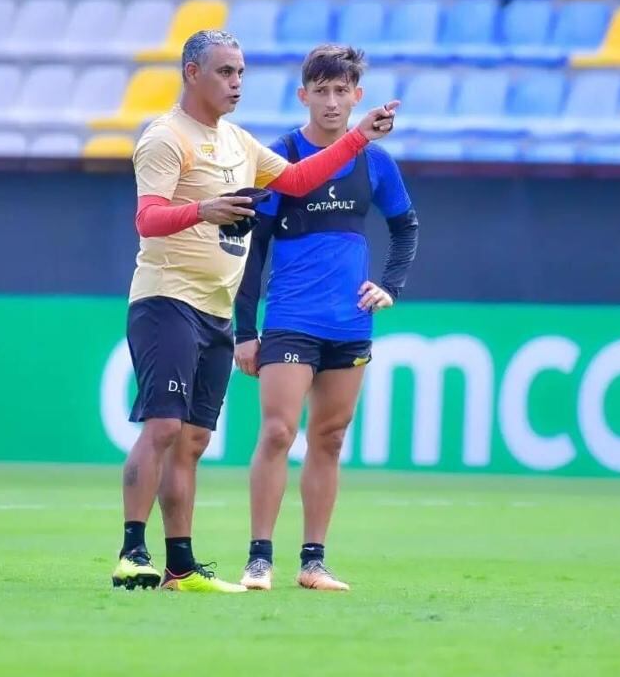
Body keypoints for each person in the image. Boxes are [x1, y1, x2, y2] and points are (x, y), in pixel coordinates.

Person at [112, 30, 401, 593]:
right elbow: (146, 219)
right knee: (165, 426)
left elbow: (297, 178)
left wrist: (359, 138)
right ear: (192, 73)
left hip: (214, 307)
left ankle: (180, 567)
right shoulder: (165, 138)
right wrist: (204, 209)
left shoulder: (240, 143)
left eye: (241, 72)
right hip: (167, 297)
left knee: (193, 439)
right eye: (225, 72)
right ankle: (132, 552)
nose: (237, 83)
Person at [233, 45, 419, 592]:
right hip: (291, 318)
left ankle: (313, 562)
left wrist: (389, 285)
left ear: (357, 95)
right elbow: (252, 247)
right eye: (322, 90)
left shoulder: (375, 163)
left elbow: (405, 226)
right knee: (277, 432)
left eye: (342, 91)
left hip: (350, 322)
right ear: (303, 95)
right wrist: (246, 331)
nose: (332, 102)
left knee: (331, 437)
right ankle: (259, 558)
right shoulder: (280, 158)